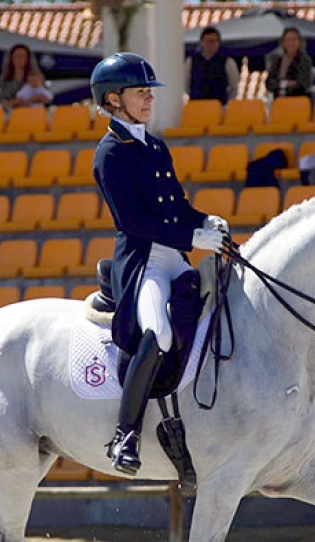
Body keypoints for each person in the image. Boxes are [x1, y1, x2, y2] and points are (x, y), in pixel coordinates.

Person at [90, 52, 227, 475]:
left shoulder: (154, 145)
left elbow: (177, 207)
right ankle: (125, 435)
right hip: (144, 262)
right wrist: (192, 238)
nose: (149, 98)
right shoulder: (110, 153)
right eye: (140, 92)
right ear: (113, 99)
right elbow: (132, 221)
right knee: (158, 332)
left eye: (149, 91)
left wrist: (205, 221)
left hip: (175, 257)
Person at [184, 26, 239, 104]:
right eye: (208, 41)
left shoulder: (228, 62)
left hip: (219, 106)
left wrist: (226, 104)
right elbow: (186, 85)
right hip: (197, 105)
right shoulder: (191, 61)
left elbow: (234, 86)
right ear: (202, 42)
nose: (210, 44)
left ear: (218, 43)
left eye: (213, 41)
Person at [265, 27, 312, 98]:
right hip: (278, 100)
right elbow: (269, 84)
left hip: (297, 100)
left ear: (299, 42)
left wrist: (281, 85)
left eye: (294, 40)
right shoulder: (277, 60)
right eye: (288, 40)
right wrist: (285, 84)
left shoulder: (304, 60)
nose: (291, 43)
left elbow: (303, 84)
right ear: (283, 42)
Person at [0, 44, 36, 109]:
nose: (19, 59)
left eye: (22, 56)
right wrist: (3, 101)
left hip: (30, 111)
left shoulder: (35, 76)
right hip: (9, 112)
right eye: (16, 56)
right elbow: (1, 95)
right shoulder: (4, 77)